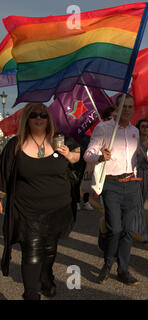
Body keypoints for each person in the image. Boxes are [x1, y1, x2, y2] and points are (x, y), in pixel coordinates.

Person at [0, 103, 80, 300]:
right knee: (33, 254)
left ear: (48, 119)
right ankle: (31, 294)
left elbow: (79, 155)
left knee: (50, 250)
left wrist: (69, 154)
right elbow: (3, 175)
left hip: (58, 209)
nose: (39, 118)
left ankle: (46, 277)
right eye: (34, 115)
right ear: (27, 119)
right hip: (28, 212)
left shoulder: (59, 140)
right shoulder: (15, 145)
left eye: (43, 115)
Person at [84, 93, 140, 286]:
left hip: (132, 183)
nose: (127, 110)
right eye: (124, 106)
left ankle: (123, 269)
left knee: (127, 230)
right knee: (114, 228)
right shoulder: (104, 127)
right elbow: (88, 154)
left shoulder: (135, 131)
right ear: (116, 108)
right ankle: (107, 264)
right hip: (111, 184)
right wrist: (100, 156)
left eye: (131, 107)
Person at [135, 119, 148, 242]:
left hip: (147, 174)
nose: (145, 128)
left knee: (142, 201)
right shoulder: (134, 142)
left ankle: (135, 225)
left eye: (147, 126)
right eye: (143, 126)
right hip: (136, 173)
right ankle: (142, 231)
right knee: (138, 203)